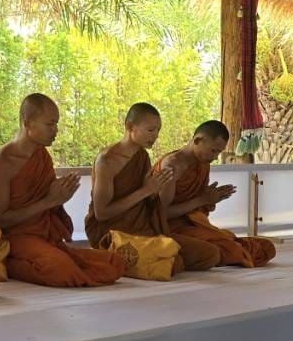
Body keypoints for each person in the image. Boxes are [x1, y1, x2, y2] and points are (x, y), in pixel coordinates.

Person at [0, 94, 125, 287]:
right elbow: (0, 218)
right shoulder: (2, 161)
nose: (56, 130)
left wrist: (61, 196)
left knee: (115, 262)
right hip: (17, 238)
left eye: (56, 124)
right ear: (28, 124)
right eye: (50, 124)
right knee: (62, 270)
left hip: (45, 236)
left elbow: (49, 202)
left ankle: (44, 257)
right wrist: (49, 201)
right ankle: (8, 261)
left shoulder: (42, 155)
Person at [83, 103, 217, 273]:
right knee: (173, 263)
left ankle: (130, 259)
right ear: (130, 127)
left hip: (142, 229)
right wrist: (145, 191)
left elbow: (153, 203)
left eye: (158, 131)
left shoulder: (142, 156)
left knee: (209, 254)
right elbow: (102, 213)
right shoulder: (107, 160)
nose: (155, 136)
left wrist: (163, 186)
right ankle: (113, 254)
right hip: (112, 233)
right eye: (151, 130)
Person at [156, 120, 277, 268]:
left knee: (266, 246)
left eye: (219, 152)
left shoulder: (203, 164)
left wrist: (211, 200)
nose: (215, 157)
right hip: (167, 228)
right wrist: (202, 200)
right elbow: (160, 214)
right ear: (197, 140)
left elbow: (198, 208)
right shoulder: (172, 165)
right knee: (223, 250)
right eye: (213, 151)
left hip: (192, 225)